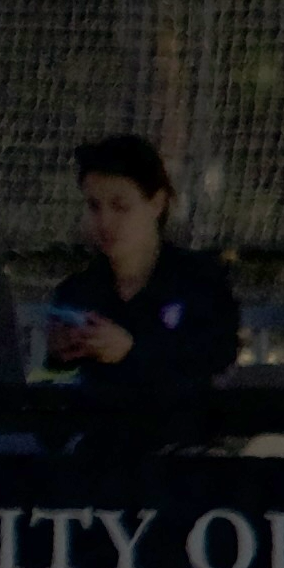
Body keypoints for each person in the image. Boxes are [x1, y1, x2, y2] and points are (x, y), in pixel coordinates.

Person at [50, 133, 239, 388]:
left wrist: (131, 352)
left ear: (157, 203)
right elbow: (53, 389)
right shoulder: (78, 291)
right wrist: (61, 356)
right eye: (94, 206)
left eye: (120, 207)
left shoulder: (200, 282)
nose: (105, 223)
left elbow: (214, 361)